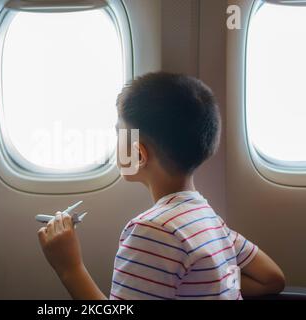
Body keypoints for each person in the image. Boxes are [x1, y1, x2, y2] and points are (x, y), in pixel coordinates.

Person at [37, 72, 285, 300]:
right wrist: (214, 284)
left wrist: (69, 267)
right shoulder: (209, 220)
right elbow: (271, 279)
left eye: (118, 133)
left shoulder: (151, 232)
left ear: (138, 154)